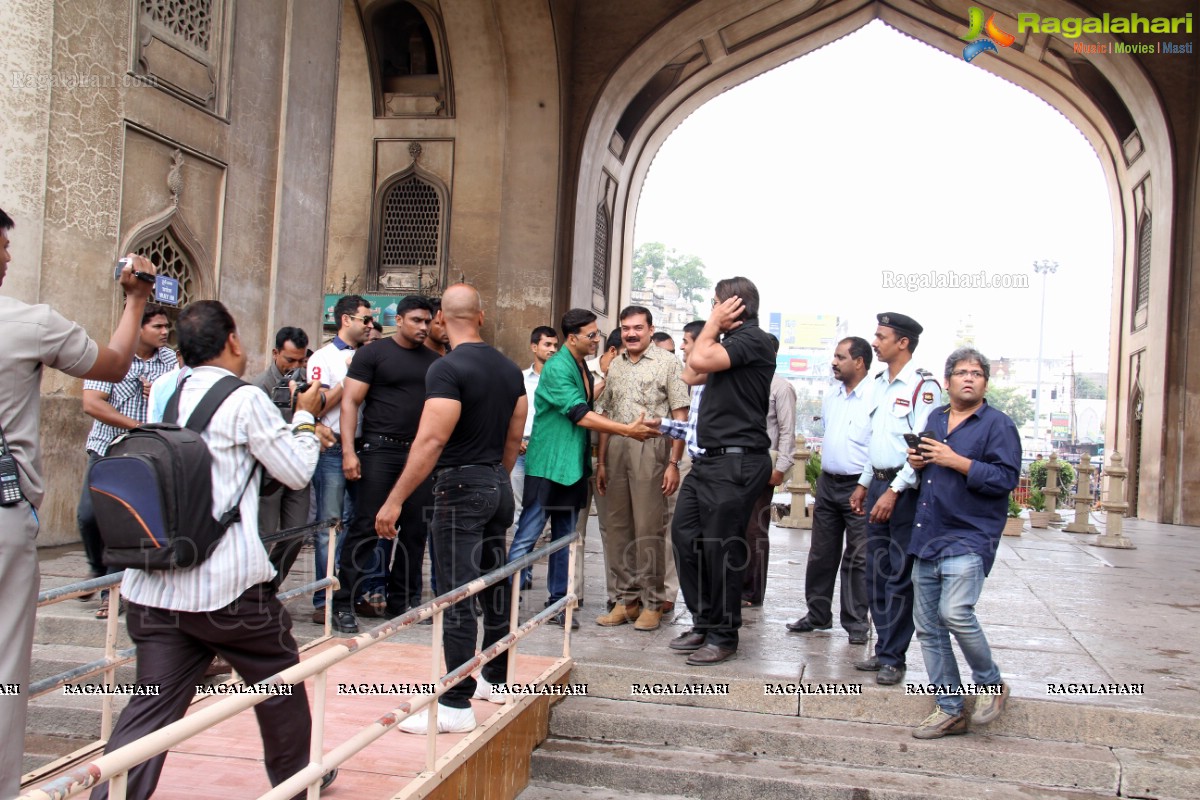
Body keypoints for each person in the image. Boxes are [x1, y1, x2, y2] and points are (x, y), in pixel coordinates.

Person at [91, 300, 333, 799]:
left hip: (154, 582)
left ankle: (109, 797)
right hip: (227, 588)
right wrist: (306, 420)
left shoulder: (162, 391)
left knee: (152, 708)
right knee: (279, 689)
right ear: (234, 342)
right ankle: (297, 784)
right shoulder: (246, 400)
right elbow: (293, 472)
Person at [0, 209, 157, 798]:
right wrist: (135, 299)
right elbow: (114, 365)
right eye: (3, 246)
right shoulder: (26, 324)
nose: (9, 257)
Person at [371, 284, 525, 734]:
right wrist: (494, 477)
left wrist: (395, 499)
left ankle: (455, 703)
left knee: (455, 593)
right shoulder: (509, 368)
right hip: (497, 482)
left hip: (460, 485)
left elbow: (432, 439)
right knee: (494, 584)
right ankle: (496, 678)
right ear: (481, 316)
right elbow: (514, 438)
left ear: (441, 318)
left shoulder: (447, 368)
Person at [510, 309, 659, 629]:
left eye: (598, 335)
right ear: (573, 337)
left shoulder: (579, 365)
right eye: (591, 335)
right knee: (528, 537)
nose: (596, 340)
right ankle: (503, 601)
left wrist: (605, 379)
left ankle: (557, 605)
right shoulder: (557, 368)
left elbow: (584, 398)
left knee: (565, 538)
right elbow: (579, 413)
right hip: (548, 465)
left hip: (572, 468)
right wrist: (626, 430)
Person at [908, 347, 1020, 738]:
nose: (969, 378)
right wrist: (919, 461)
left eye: (976, 373)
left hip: (969, 535)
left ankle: (991, 683)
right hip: (927, 534)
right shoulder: (935, 418)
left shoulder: (998, 425)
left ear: (985, 383)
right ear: (948, 381)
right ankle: (949, 709)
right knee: (928, 628)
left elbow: (1006, 479)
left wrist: (956, 460)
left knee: (955, 613)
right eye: (961, 372)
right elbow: (928, 472)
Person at [666, 278, 774, 666]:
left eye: (716, 304)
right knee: (684, 535)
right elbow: (691, 375)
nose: (711, 310)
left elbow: (697, 362)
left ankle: (724, 634)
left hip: (738, 460)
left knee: (720, 547)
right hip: (709, 460)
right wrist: (712, 331)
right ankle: (703, 620)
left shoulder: (757, 341)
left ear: (734, 307)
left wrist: (711, 324)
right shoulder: (726, 346)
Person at [335, 296, 439, 633]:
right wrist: (349, 452)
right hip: (379, 450)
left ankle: (400, 604)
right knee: (366, 527)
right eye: (417, 320)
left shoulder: (435, 362)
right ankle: (343, 603)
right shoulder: (372, 354)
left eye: (427, 321)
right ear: (399, 319)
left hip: (419, 456)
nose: (423, 327)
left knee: (414, 531)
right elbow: (350, 403)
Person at [849, 313, 940, 685]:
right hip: (878, 487)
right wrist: (864, 483)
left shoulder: (923, 386)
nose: (875, 341)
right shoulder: (879, 384)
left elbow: (922, 448)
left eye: (881, 336)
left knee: (899, 575)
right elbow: (878, 444)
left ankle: (893, 657)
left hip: (904, 493)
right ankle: (883, 646)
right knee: (876, 573)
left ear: (902, 342)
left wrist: (894, 490)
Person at [76, 302, 176, 610]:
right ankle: (97, 564)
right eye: (157, 326)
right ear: (139, 328)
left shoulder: (168, 359)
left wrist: (158, 394)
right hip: (107, 448)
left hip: (144, 456)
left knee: (126, 522)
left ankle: (112, 591)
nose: (165, 331)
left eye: (166, 326)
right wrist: (135, 425)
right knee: (89, 515)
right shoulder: (111, 357)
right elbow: (92, 403)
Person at [594, 306, 688, 631]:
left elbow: (681, 419)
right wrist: (603, 462)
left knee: (649, 528)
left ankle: (652, 602)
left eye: (637, 327)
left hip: (652, 447)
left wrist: (673, 463)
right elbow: (604, 415)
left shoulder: (668, 363)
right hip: (617, 445)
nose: (631, 333)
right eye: (625, 328)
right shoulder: (615, 367)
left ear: (650, 329)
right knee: (617, 527)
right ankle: (626, 599)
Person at [787, 336, 872, 643]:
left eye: (840, 357)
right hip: (828, 483)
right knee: (821, 553)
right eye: (834, 357)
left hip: (859, 487)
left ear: (859, 362)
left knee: (858, 557)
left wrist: (864, 485)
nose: (834, 362)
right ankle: (818, 615)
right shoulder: (832, 395)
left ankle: (857, 624)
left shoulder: (875, 397)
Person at [305, 295, 373, 622]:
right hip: (332, 448)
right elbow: (313, 406)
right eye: (364, 319)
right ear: (346, 320)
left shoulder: (369, 356)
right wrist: (349, 380)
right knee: (330, 525)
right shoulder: (322, 358)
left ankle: (351, 592)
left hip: (364, 446)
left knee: (361, 524)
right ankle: (323, 599)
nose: (370, 325)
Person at [251, 326, 313, 583]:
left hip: (297, 469)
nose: (295, 366)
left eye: (301, 360)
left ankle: (270, 586)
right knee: (264, 535)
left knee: (296, 533)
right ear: (276, 353)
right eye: (290, 360)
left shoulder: (306, 383)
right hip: (267, 474)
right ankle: (251, 590)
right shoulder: (257, 388)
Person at [741, 333, 796, 607]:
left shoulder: (780, 387)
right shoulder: (744, 383)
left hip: (765, 466)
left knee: (755, 529)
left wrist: (782, 468)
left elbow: (787, 431)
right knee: (736, 528)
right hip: (738, 466)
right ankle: (737, 585)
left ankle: (752, 592)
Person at [509, 325, 559, 589]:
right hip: (521, 449)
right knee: (519, 513)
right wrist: (515, 442)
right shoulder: (519, 378)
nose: (551, 349)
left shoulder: (560, 379)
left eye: (554, 345)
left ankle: (522, 569)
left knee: (540, 513)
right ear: (534, 347)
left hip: (548, 451)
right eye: (547, 345)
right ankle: (521, 572)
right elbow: (508, 412)